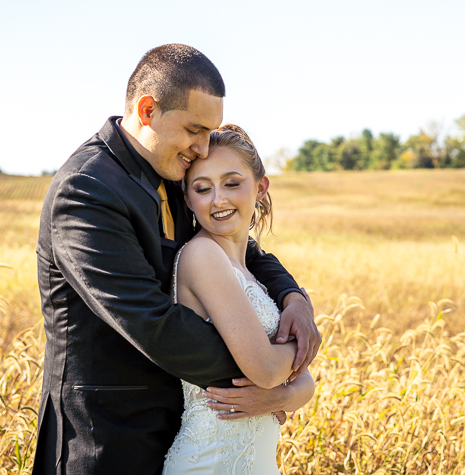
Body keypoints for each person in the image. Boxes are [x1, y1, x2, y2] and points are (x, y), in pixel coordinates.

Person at [32, 44, 320, 475]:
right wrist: (272, 371)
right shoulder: (88, 189)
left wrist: (293, 297)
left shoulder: (177, 174)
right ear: (148, 110)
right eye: (194, 129)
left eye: (210, 133)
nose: (203, 148)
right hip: (106, 438)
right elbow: (151, 321)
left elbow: (243, 250)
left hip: (180, 430)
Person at [162, 124, 315, 474]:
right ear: (187, 198)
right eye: (203, 188)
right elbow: (264, 369)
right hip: (212, 461)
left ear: (260, 188)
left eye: (232, 183)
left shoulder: (250, 271)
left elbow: (298, 384)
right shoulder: (202, 256)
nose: (219, 199)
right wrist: (300, 345)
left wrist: (286, 394)